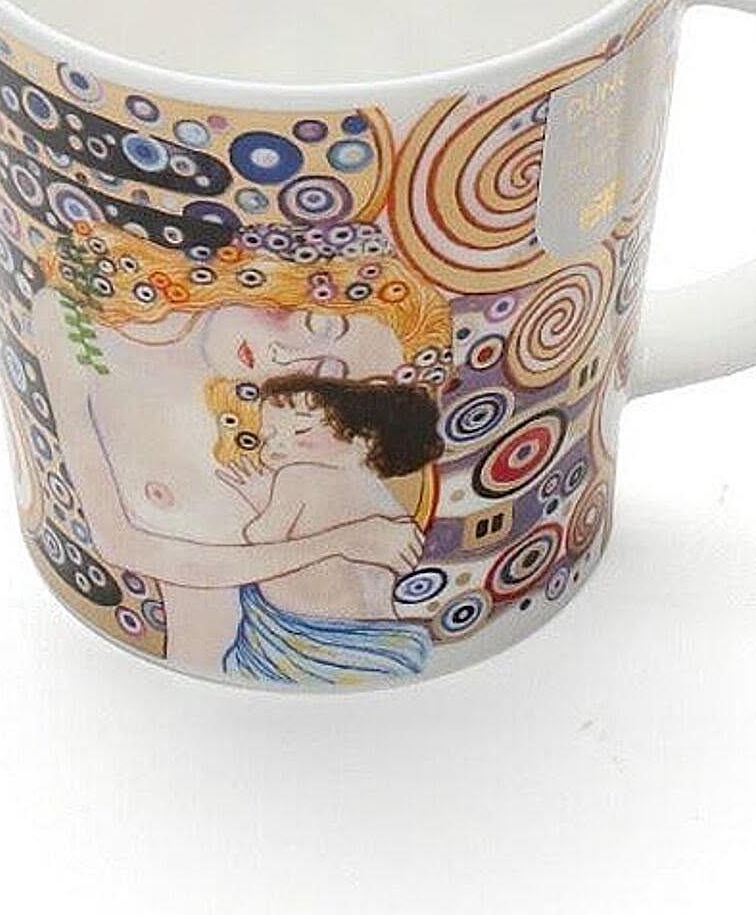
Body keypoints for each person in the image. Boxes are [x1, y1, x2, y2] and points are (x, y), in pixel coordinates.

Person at [30, 218, 453, 677]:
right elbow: (120, 544)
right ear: (285, 277)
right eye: (315, 323)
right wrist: (339, 542)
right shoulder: (74, 323)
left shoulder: (278, 444)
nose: (287, 358)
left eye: (324, 374)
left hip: (288, 670)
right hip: (144, 678)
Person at [216, 373, 443, 685]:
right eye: (268, 437)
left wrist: (261, 503)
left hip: (305, 645)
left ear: (364, 440)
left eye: (301, 431)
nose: (276, 446)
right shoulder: (384, 500)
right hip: (382, 641)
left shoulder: (297, 477)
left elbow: (261, 538)